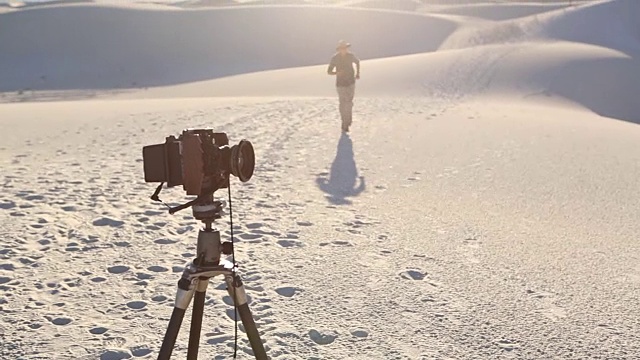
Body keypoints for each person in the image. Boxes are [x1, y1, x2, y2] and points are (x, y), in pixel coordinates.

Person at [327, 40, 360, 133]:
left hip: (350, 82)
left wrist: (357, 73)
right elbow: (329, 71)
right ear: (339, 49)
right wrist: (337, 73)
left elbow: (357, 62)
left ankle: (348, 119)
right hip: (340, 84)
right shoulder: (335, 58)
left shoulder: (350, 56)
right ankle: (344, 123)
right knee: (342, 103)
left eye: (345, 48)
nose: (344, 50)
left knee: (349, 102)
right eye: (342, 48)